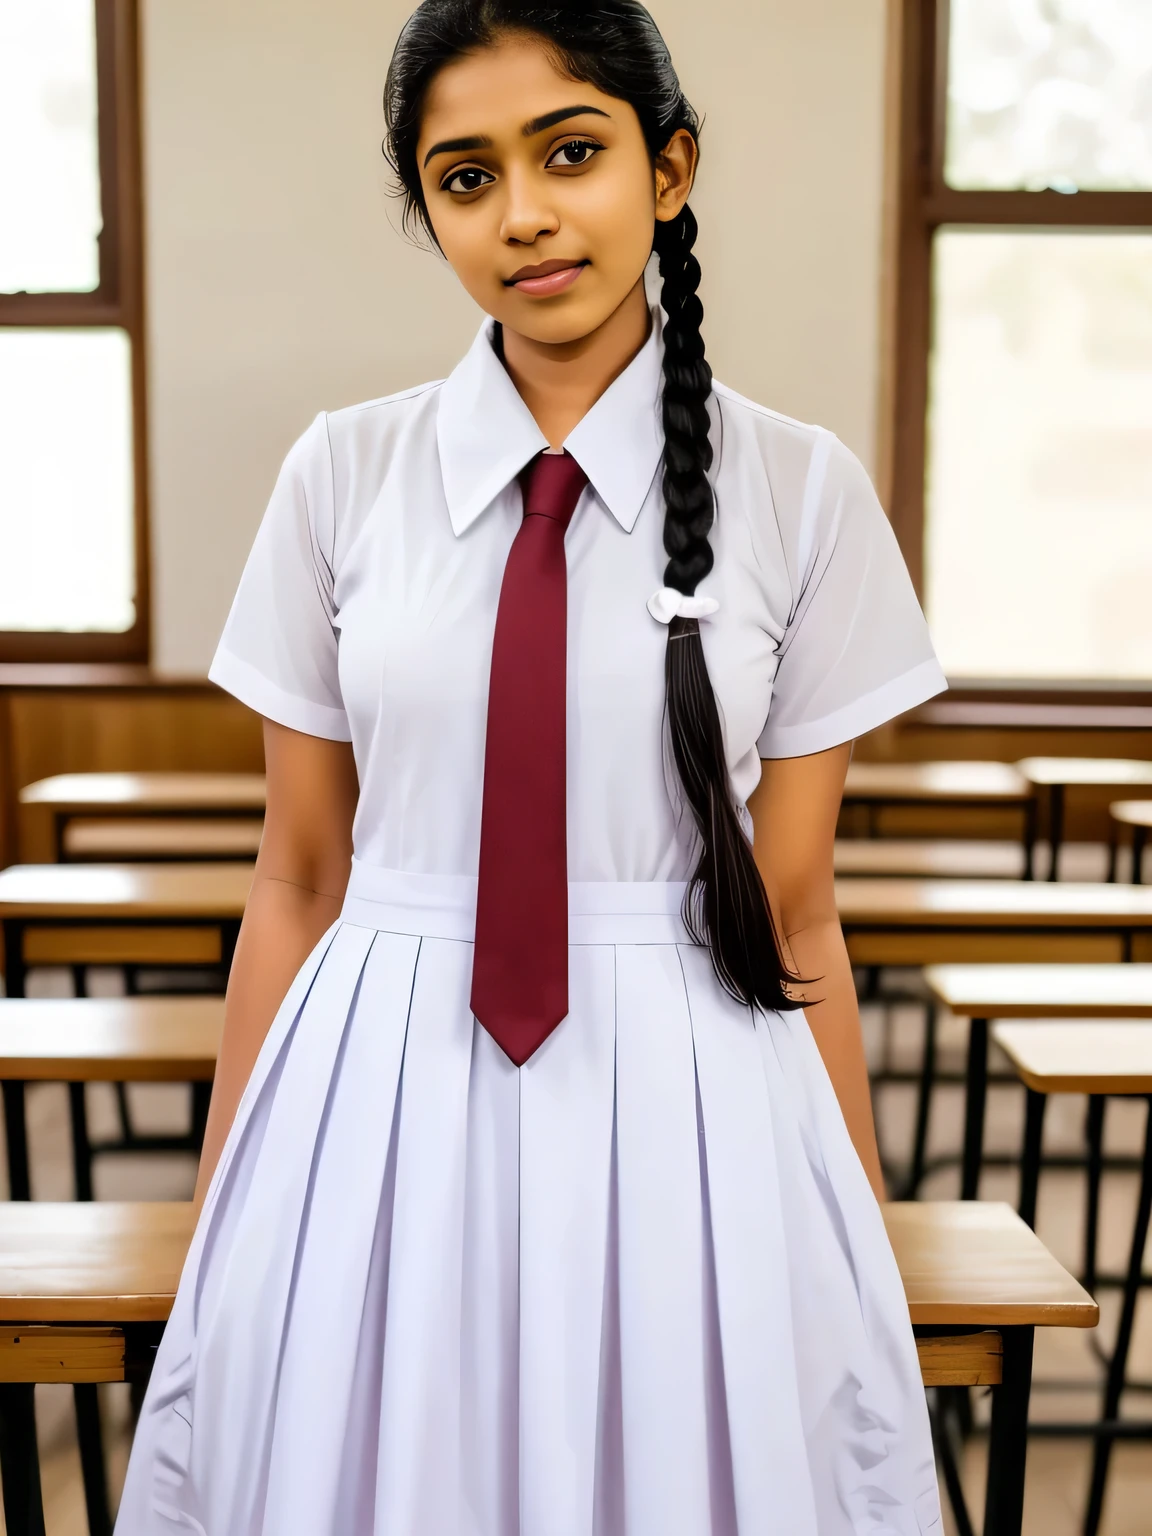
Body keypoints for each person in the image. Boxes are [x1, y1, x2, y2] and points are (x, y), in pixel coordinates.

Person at [116, 3, 948, 1531]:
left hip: (695, 1079)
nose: (525, 214)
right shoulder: (342, 474)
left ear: (670, 168)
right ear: (429, 210)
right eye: (464, 177)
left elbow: (801, 906)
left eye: (571, 152)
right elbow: (299, 872)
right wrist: (226, 1205)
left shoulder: (801, 489)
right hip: (381, 1081)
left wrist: (850, 1228)